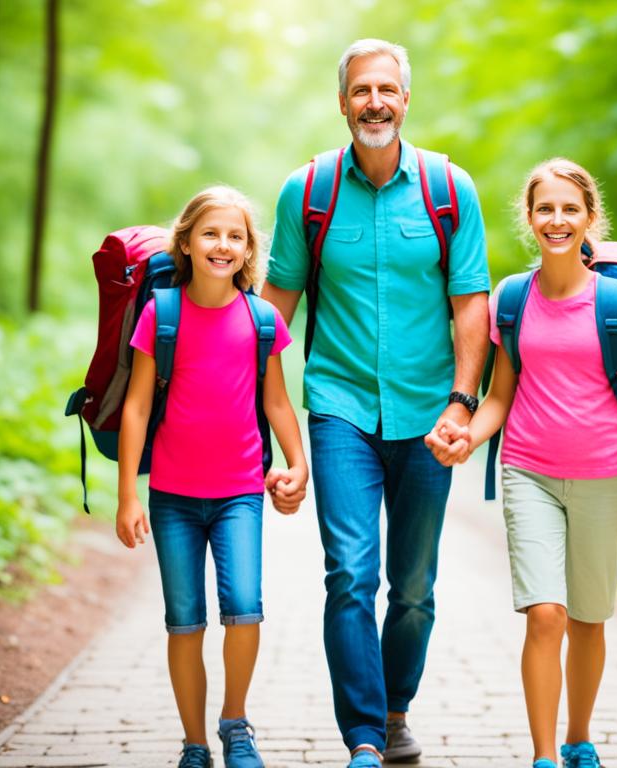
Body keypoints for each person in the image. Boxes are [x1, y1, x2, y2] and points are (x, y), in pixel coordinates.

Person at [261, 39, 490, 768]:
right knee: (349, 574)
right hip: (339, 410)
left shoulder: (450, 190)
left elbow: (472, 308)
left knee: (414, 588)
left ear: (406, 99)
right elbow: (271, 321)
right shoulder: (308, 193)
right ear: (342, 102)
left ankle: (396, 711)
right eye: (361, 90)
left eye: (387, 89)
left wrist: (461, 402)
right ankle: (364, 736)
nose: (375, 103)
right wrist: (271, 442)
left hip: (429, 416)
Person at [425, 158, 617, 768]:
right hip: (529, 471)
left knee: (588, 618)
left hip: (606, 477)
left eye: (569, 209)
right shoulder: (513, 297)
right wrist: (467, 436)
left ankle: (578, 737)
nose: (556, 220)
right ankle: (542, 755)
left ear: (590, 219)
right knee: (546, 613)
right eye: (545, 209)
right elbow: (501, 395)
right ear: (529, 218)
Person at [116, 185, 309, 768]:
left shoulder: (262, 319)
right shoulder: (162, 313)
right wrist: (128, 495)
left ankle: (236, 724)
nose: (222, 245)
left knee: (245, 607)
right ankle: (194, 743)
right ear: (188, 243)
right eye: (211, 234)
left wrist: (296, 463)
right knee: (184, 621)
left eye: (235, 236)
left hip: (240, 494)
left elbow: (277, 402)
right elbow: (137, 407)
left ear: (248, 249)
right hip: (172, 496)